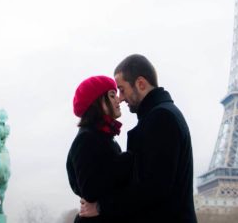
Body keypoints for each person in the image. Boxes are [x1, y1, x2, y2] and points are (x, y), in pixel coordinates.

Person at [80, 54, 197, 223]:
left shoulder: (160, 118)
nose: (120, 97)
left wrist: (100, 206)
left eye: (122, 89)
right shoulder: (162, 114)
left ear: (140, 84)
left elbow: (153, 189)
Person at [66, 75, 132, 222]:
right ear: (97, 101)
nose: (118, 100)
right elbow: (89, 189)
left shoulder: (102, 136)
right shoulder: (86, 139)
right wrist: (129, 159)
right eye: (112, 95)